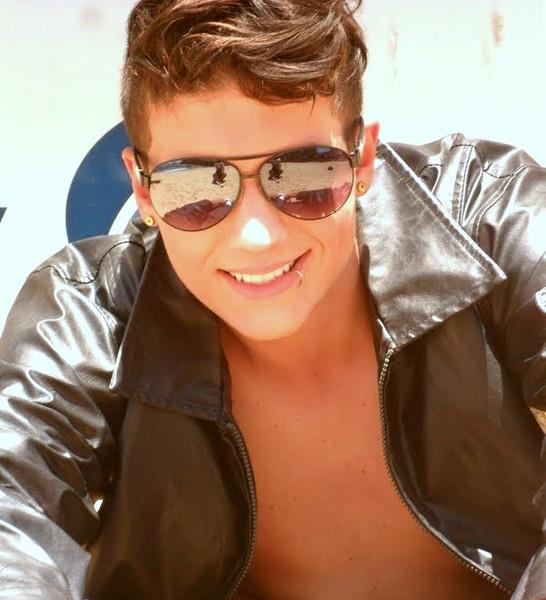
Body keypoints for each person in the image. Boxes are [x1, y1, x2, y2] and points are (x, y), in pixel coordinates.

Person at [0, 0, 544, 598]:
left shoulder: (487, 218)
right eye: (196, 187)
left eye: (304, 176)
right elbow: (11, 507)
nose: (256, 237)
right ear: (143, 189)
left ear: (363, 159)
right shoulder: (93, 311)